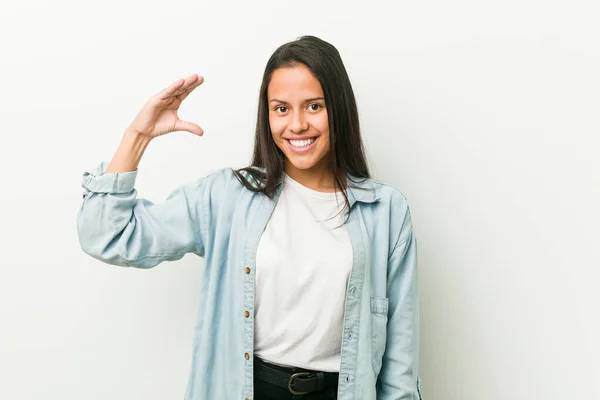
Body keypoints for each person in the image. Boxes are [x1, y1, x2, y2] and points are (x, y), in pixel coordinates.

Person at [77, 35, 422, 400]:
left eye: (314, 106)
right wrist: (138, 135)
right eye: (282, 109)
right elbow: (107, 235)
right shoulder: (227, 197)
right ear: (267, 114)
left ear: (338, 109)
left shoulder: (385, 211)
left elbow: (400, 362)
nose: (298, 124)